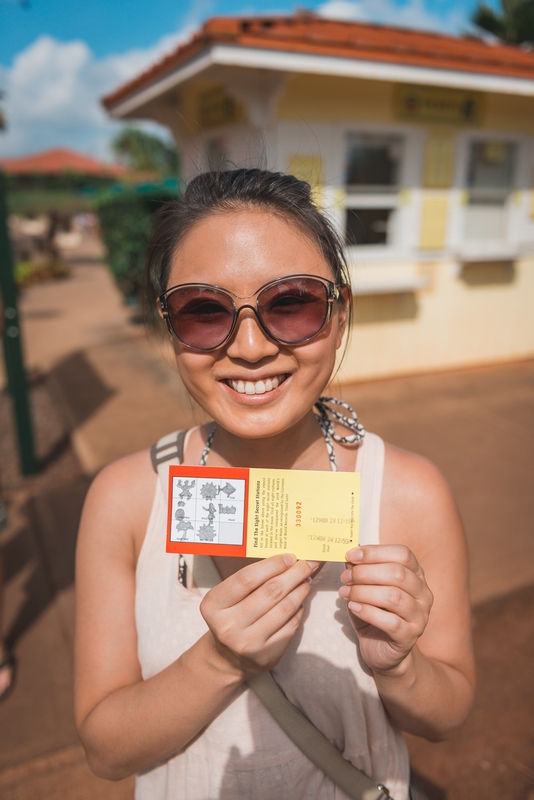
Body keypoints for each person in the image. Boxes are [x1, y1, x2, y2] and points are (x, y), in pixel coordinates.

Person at [74, 169, 475, 800]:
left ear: (339, 316)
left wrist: (398, 665)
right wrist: (219, 661)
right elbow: (104, 748)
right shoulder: (124, 499)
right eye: (204, 312)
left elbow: (448, 716)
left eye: (291, 303)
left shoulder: (410, 492)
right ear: (170, 328)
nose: (252, 347)